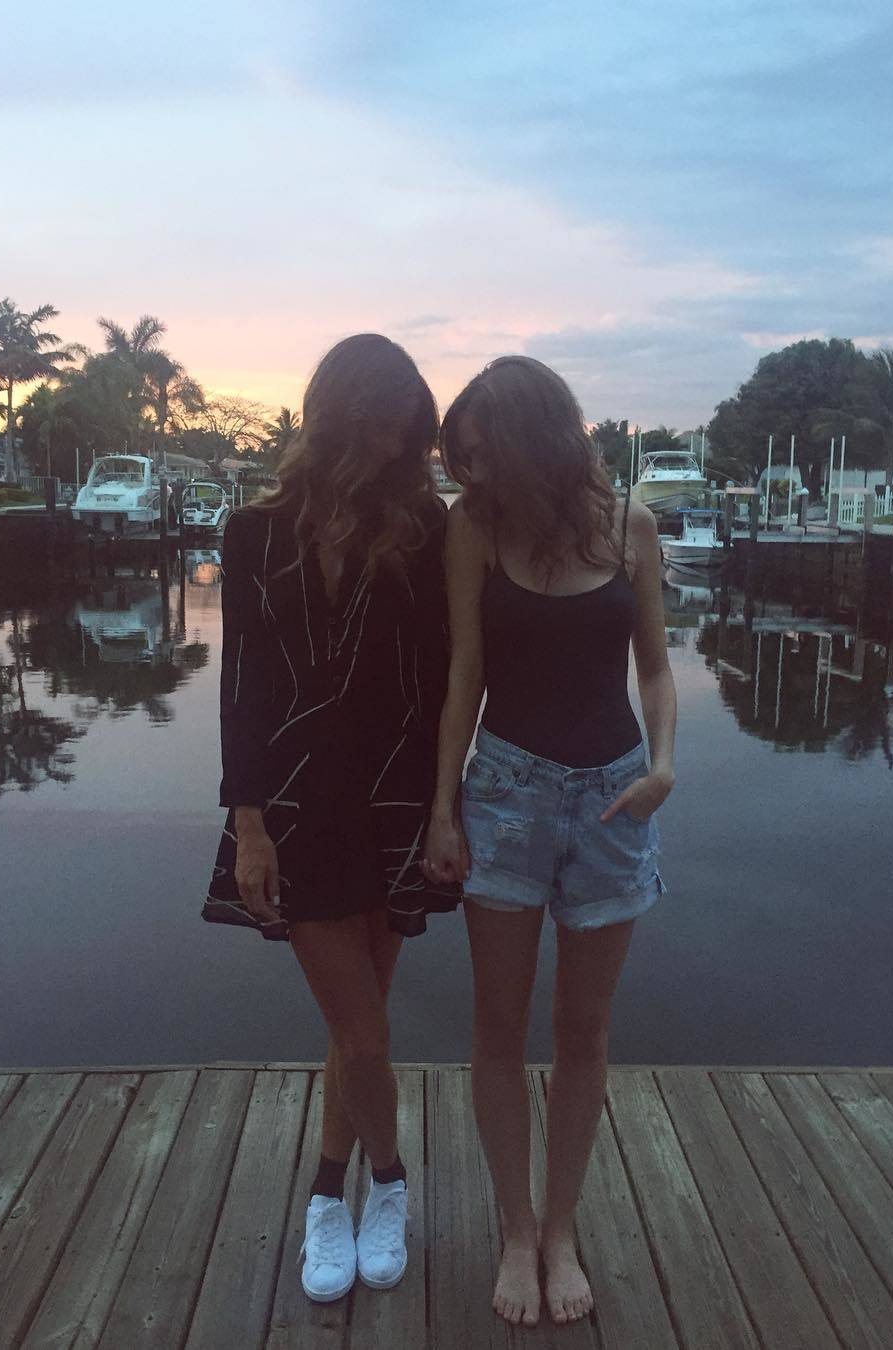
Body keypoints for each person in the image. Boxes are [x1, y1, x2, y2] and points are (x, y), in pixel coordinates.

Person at [203, 333, 457, 1303]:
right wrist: (248, 822)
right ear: (339, 416)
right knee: (363, 1030)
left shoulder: (425, 530)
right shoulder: (252, 533)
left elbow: (445, 680)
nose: (395, 447)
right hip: (296, 802)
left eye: (408, 432)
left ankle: (326, 1190)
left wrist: (445, 807)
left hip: (396, 797)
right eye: (383, 425)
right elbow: (240, 686)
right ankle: (382, 1183)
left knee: (361, 1025)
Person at [423, 356, 676, 1328]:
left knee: (584, 1030)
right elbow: (465, 673)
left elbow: (655, 668)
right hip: (505, 794)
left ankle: (562, 1227)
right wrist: (443, 808)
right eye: (462, 459)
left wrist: (664, 764)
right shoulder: (474, 529)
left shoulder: (630, 528)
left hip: (615, 798)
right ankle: (516, 1228)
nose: (472, 473)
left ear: (536, 438)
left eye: (484, 453)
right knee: (498, 1025)